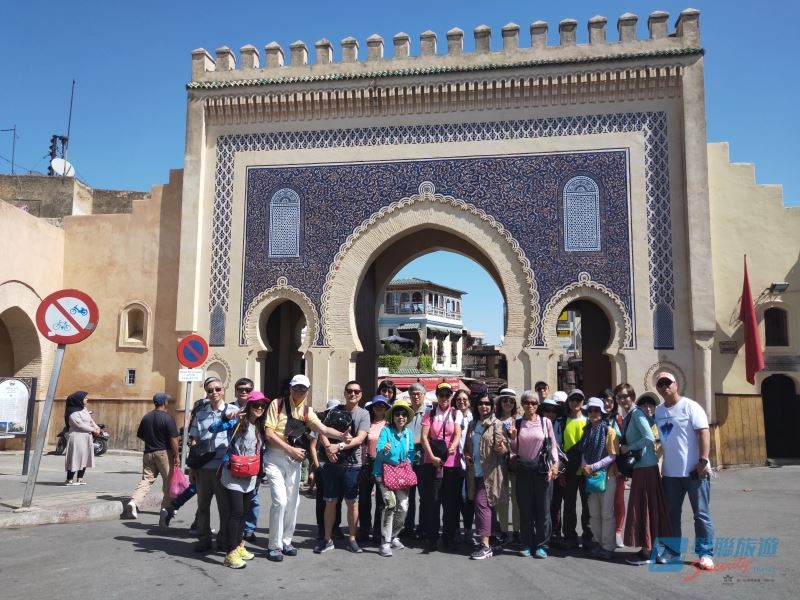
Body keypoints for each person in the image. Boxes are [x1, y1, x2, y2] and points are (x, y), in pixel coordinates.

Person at [263, 374, 351, 562]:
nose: (299, 391)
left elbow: (323, 429)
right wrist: (290, 449)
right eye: (296, 387)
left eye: (303, 388)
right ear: (290, 388)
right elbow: (269, 434)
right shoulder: (277, 404)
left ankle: (286, 541)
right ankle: (274, 546)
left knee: (293, 502)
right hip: (275, 457)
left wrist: (341, 436)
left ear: (307, 391)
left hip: (293, 461)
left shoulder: (306, 410)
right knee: (280, 501)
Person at [653, 372, 716, 571]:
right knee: (671, 514)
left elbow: (703, 432)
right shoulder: (658, 411)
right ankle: (672, 552)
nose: (665, 387)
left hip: (694, 472)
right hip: (670, 474)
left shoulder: (691, 406)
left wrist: (702, 461)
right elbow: (662, 439)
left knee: (701, 514)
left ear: (676, 384)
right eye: (660, 384)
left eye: (668, 383)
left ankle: (705, 553)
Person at [209, 391, 267, 568]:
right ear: (248, 406)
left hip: (250, 475)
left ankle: (239, 544)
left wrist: (260, 475)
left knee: (244, 513)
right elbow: (213, 428)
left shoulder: (260, 425)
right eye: (256, 405)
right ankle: (230, 552)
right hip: (233, 474)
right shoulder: (238, 421)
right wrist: (227, 416)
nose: (259, 408)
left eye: (262, 405)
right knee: (236, 512)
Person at [314, 381, 370, 554]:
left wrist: (337, 447)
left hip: (352, 465)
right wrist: (328, 448)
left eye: (356, 391)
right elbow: (322, 431)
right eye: (349, 391)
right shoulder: (334, 410)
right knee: (330, 502)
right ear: (345, 393)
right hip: (332, 464)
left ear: (360, 395)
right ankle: (327, 539)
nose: (353, 394)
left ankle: (352, 538)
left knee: (352, 503)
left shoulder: (364, 414)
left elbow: (359, 439)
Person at [188, 376, 238, 552]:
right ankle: (204, 539)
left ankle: (223, 540)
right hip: (203, 468)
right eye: (210, 390)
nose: (214, 393)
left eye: (218, 389)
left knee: (225, 508)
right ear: (206, 393)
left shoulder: (234, 410)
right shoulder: (201, 414)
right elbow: (194, 441)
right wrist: (192, 468)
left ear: (223, 390)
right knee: (202, 507)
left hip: (224, 468)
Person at [622, 390, 671, 565]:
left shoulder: (638, 415)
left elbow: (649, 438)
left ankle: (648, 550)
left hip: (645, 467)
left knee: (645, 506)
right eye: (645, 405)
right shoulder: (640, 417)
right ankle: (649, 547)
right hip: (646, 466)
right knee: (648, 507)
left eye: (651, 405)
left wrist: (629, 447)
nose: (648, 408)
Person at [511, 390, 559, 559]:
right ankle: (526, 543)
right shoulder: (517, 423)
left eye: (533, 403)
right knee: (525, 509)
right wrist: (513, 438)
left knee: (543, 510)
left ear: (538, 405)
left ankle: (542, 545)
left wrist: (555, 465)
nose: (530, 406)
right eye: (527, 402)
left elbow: (553, 445)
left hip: (542, 469)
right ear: (522, 404)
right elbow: (514, 449)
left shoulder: (545, 422)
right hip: (524, 469)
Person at [419, 381, 464, 551]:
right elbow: (424, 438)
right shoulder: (429, 414)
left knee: (450, 502)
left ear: (451, 397)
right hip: (432, 461)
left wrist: (453, 446)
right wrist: (431, 456)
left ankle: (449, 537)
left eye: (447, 395)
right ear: (437, 396)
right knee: (433, 501)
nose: (444, 398)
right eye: (441, 395)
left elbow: (458, 433)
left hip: (451, 462)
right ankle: (432, 536)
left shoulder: (456, 413)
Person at [464, 389, 508, 559]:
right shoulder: (472, 425)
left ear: (492, 406)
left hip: (489, 473)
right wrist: (467, 455)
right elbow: (467, 448)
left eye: (487, 403)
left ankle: (485, 544)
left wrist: (500, 448)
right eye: (481, 403)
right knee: (487, 505)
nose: (484, 406)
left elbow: (504, 448)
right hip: (474, 472)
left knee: (481, 504)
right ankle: (494, 536)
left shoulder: (497, 424)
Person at [373, 399, 416, 557]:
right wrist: (384, 449)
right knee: (390, 505)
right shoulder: (386, 431)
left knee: (403, 507)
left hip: (401, 474)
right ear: (393, 416)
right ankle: (385, 542)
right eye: (397, 414)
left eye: (404, 414)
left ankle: (393, 536)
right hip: (384, 473)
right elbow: (379, 449)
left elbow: (411, 453)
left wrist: (407, 468)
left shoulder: (408, 433)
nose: (401, 417)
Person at [126, 393, 179, 519]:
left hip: (148, 453)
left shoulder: (147, 417)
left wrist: (152, 441)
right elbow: (173, 439)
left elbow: (140, 435)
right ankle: (166, 508)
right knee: (168, 481)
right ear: (164, 403)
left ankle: (134, 502)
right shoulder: (168, 418)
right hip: (164, 453)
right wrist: (176, 455)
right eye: (167, 401)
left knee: (146, 480)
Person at [580, 397, 619, 560]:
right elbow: (583, 451)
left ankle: (608, 546)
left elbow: (612, 455)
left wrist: (593, 466)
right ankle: (597, 542)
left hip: (607, 475)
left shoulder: (609, 431)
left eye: (596, 410)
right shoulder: (587, 430)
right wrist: (585, 465)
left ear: (602, 412)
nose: (593, 413)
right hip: (591, 476)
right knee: (594, 513)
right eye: (590, 410)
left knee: (606, 513)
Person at [559, 389, 593, 550]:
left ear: (583, 402)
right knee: (569, 506)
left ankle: (588, 537)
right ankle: (570, 536)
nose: (575, 402)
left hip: (586, 470)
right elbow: (558, 447)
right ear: (568, 402)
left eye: (578, 399)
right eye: (572, 399)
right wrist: (561, 471)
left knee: (588, 507)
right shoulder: (562, 421)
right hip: (569, 470)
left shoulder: (589, 420)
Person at [231, 378, 262, 542]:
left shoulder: (260, 415)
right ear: (235, 391)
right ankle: (231, 540)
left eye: (247, 389)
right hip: (234, 465)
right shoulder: (230, 409)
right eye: (240, 389)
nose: (243, 391)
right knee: (234, 507)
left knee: (253, 499)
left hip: (253, 466)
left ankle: (248, 530)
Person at [309, 399, 344, 542]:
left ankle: (335, 527)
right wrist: (317, 466)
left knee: (337, 499)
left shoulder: (341, 425)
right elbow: (312, 446)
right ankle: (321, 528)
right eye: (331, 411)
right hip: (322, 465)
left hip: (337, 466)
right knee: (321, 499)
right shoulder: (319, 424)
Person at [358, 395, 389, 543]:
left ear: (386, 408)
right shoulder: (367, 423)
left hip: (383, 463)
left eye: (382, 405)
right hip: (367, 463)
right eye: (376, 405)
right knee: (364, 499)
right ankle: (364, 528)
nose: (379, 408)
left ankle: (378, 531)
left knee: (381, 501)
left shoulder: (389, 424)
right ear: (372, 408)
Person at [401, 382, 430, 539]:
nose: (416, 396)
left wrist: (410, 442)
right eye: (413, 394)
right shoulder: (405, 413)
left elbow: (430, 436)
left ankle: (423, 527)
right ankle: (408, 526)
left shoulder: (430, 413)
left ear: (424, 395)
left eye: (419, 393)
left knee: (425, 496)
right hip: (407, 461)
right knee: (408, 496)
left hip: (424, 461)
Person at [601, 387, 626, 548]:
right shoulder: (594, 417)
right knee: (601, 501)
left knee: (618, 500)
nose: (607, 403)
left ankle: (617, 532)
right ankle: (603, 532)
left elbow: (625, 440)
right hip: (599, 466)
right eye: (604, 400)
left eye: (610, 400)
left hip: (616, 466)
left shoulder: (619, 419)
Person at [494, 387, 520, 543]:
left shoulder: (520, 420)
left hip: (515, 464)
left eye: (511, 401)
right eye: (504, 400)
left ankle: (516, 530)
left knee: (517, 499)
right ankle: (503, 530)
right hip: (499, 464)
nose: (508, 403)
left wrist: (514, 440)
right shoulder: (494, 420)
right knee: (502, 499)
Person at [540, 396, 565, 545]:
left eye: (554, 411)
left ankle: (555, 532)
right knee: (542, 503)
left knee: (556, 502)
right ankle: (543, 533)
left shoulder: (561, 425)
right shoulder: (537, 423)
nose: (551, 414)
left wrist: (560, 470)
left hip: (557, 467)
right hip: (541, 468)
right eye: (547, 410)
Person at [63, 391, 100, 485]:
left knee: (85, 457)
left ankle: (80, 478)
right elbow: (79, 425)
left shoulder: (84, 409)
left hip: (86, 437)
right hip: (77, 437)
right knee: (75, 457)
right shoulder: (72, 412)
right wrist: (93, 430)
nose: (87, 399)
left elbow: (90, 420)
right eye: (85, 398)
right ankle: (69, 479)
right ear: (78, 400)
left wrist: (96, 427)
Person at [453, 388, 474, 544]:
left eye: (464, 399)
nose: (461, 401)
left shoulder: (474, 417)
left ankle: (468, 529)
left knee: (470, 498)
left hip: (471, 463)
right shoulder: (452, 415)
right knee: (457, 497)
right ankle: (455, 530)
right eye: (459, 399)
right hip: (455, 461)